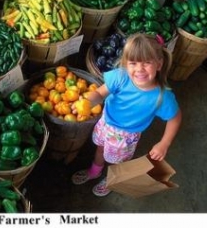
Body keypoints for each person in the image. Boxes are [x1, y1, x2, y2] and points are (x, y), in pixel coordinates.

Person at [71, 33, 182, 197]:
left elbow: (175, 118)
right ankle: (94, 171)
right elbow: (100, 94)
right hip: (106, 124)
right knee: (100, 150)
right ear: (125, 63)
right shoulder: (120, 77)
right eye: (133, 63)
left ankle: (111, 181)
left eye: (147, 63)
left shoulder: (162, 96)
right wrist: (87, 102)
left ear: (159, 64)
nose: (139, 69)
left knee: (117, 162)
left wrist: (164, 143)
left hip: (126, 137)